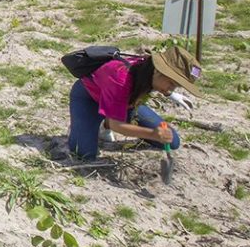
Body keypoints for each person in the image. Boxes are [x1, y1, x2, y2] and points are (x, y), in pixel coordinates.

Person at [67, 46, 196, 161]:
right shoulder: (121, 78)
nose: (171, 88)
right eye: (172, 84)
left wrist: (170, 94)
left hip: (124, 103)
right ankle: (85, 124)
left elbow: (157, 82)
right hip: (89, 98)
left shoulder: (148, 70)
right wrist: (152, 134)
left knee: (172, 141)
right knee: (83, 154)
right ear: (158, 71)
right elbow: (117, 125)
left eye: (176, 86)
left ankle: (104, 124)